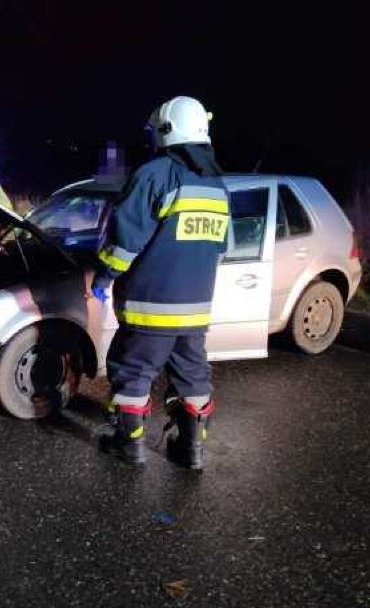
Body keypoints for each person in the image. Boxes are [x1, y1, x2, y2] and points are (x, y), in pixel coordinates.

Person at [92, 96, 229, 470]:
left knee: (133, 373)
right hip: (196, 313)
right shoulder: (216, 185)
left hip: (149, 307)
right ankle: (191, 451)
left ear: (166, 130)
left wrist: (104, 276)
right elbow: (221, 248)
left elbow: (124, 242)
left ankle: (130, 446)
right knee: (193, 378)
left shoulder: (154, 174)